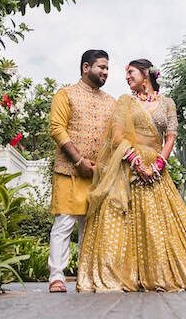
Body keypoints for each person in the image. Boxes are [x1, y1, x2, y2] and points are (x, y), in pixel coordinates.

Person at [76, 58, 186, 292]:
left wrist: (158, 165)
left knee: (157, 225)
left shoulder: (168, 103)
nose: (127, 77)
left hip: (156, 169)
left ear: (146, 74)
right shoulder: (125, 102)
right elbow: (118, 136)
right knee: (123, 223)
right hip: (127, 168)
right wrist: (135, 162)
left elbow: (170, 137)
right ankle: (126, 274)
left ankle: (158, 274)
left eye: (131, 72)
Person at [47, 49, 115, 293]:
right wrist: (79, 161)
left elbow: (115, 138)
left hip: (99, 176)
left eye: (107, 68)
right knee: (64, 224)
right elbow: (57, 129)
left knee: (92, 228)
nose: (105, 72)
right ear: (86, 68)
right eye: (101, 67)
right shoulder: (66, 94)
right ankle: (57, 276)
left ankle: (87, 277)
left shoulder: (111, 102)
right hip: (69, 171)